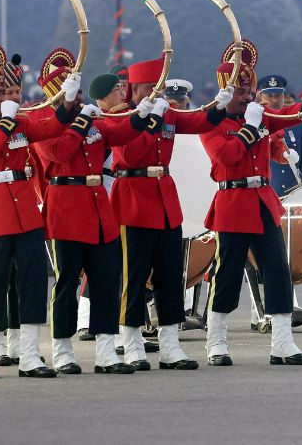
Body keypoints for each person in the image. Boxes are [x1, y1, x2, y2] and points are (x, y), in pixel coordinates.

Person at [199, 50, 302, 366]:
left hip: (261, 201)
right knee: (226, 273)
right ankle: (216, 343)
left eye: (248, 91)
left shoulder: (257, 114)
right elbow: (226, 157)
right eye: (240, 92)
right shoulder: (210, 121)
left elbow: (291, 114)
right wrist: (250, 129)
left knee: (277, 270)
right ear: (226, 91)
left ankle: (282, 344)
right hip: (232, 203)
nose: (247, 97)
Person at [0, 43, 75, 379]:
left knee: (34, 281)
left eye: (6, 92)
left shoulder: (20, 124)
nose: (4, 98)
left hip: (26, 212)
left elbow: (52, 127)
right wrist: (6, 120)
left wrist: (68, 100)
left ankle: (30, 355)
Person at [105, 57, 230, 371]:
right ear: (134, 91)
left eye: (158, 89)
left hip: (163, 200)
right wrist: (149, 120)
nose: (156, 94)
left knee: (170, 276)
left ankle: (170, 345)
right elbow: (129, 153)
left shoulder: (167, 113)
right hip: (133, 198)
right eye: (150, 88)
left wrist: (219, 105)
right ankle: (131, 342)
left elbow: (199, 122)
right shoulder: (122, 116)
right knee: (133, 277)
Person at [29, 51, 134, 375]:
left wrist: (142, 116)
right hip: (66, 206)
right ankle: (62, 349)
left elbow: (119, 135)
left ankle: (106, 350)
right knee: (67, 284)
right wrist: (81, 122)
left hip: (97, 205)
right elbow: (58, 152)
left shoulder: (88, 117)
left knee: (105, 281)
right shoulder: (42, 121)